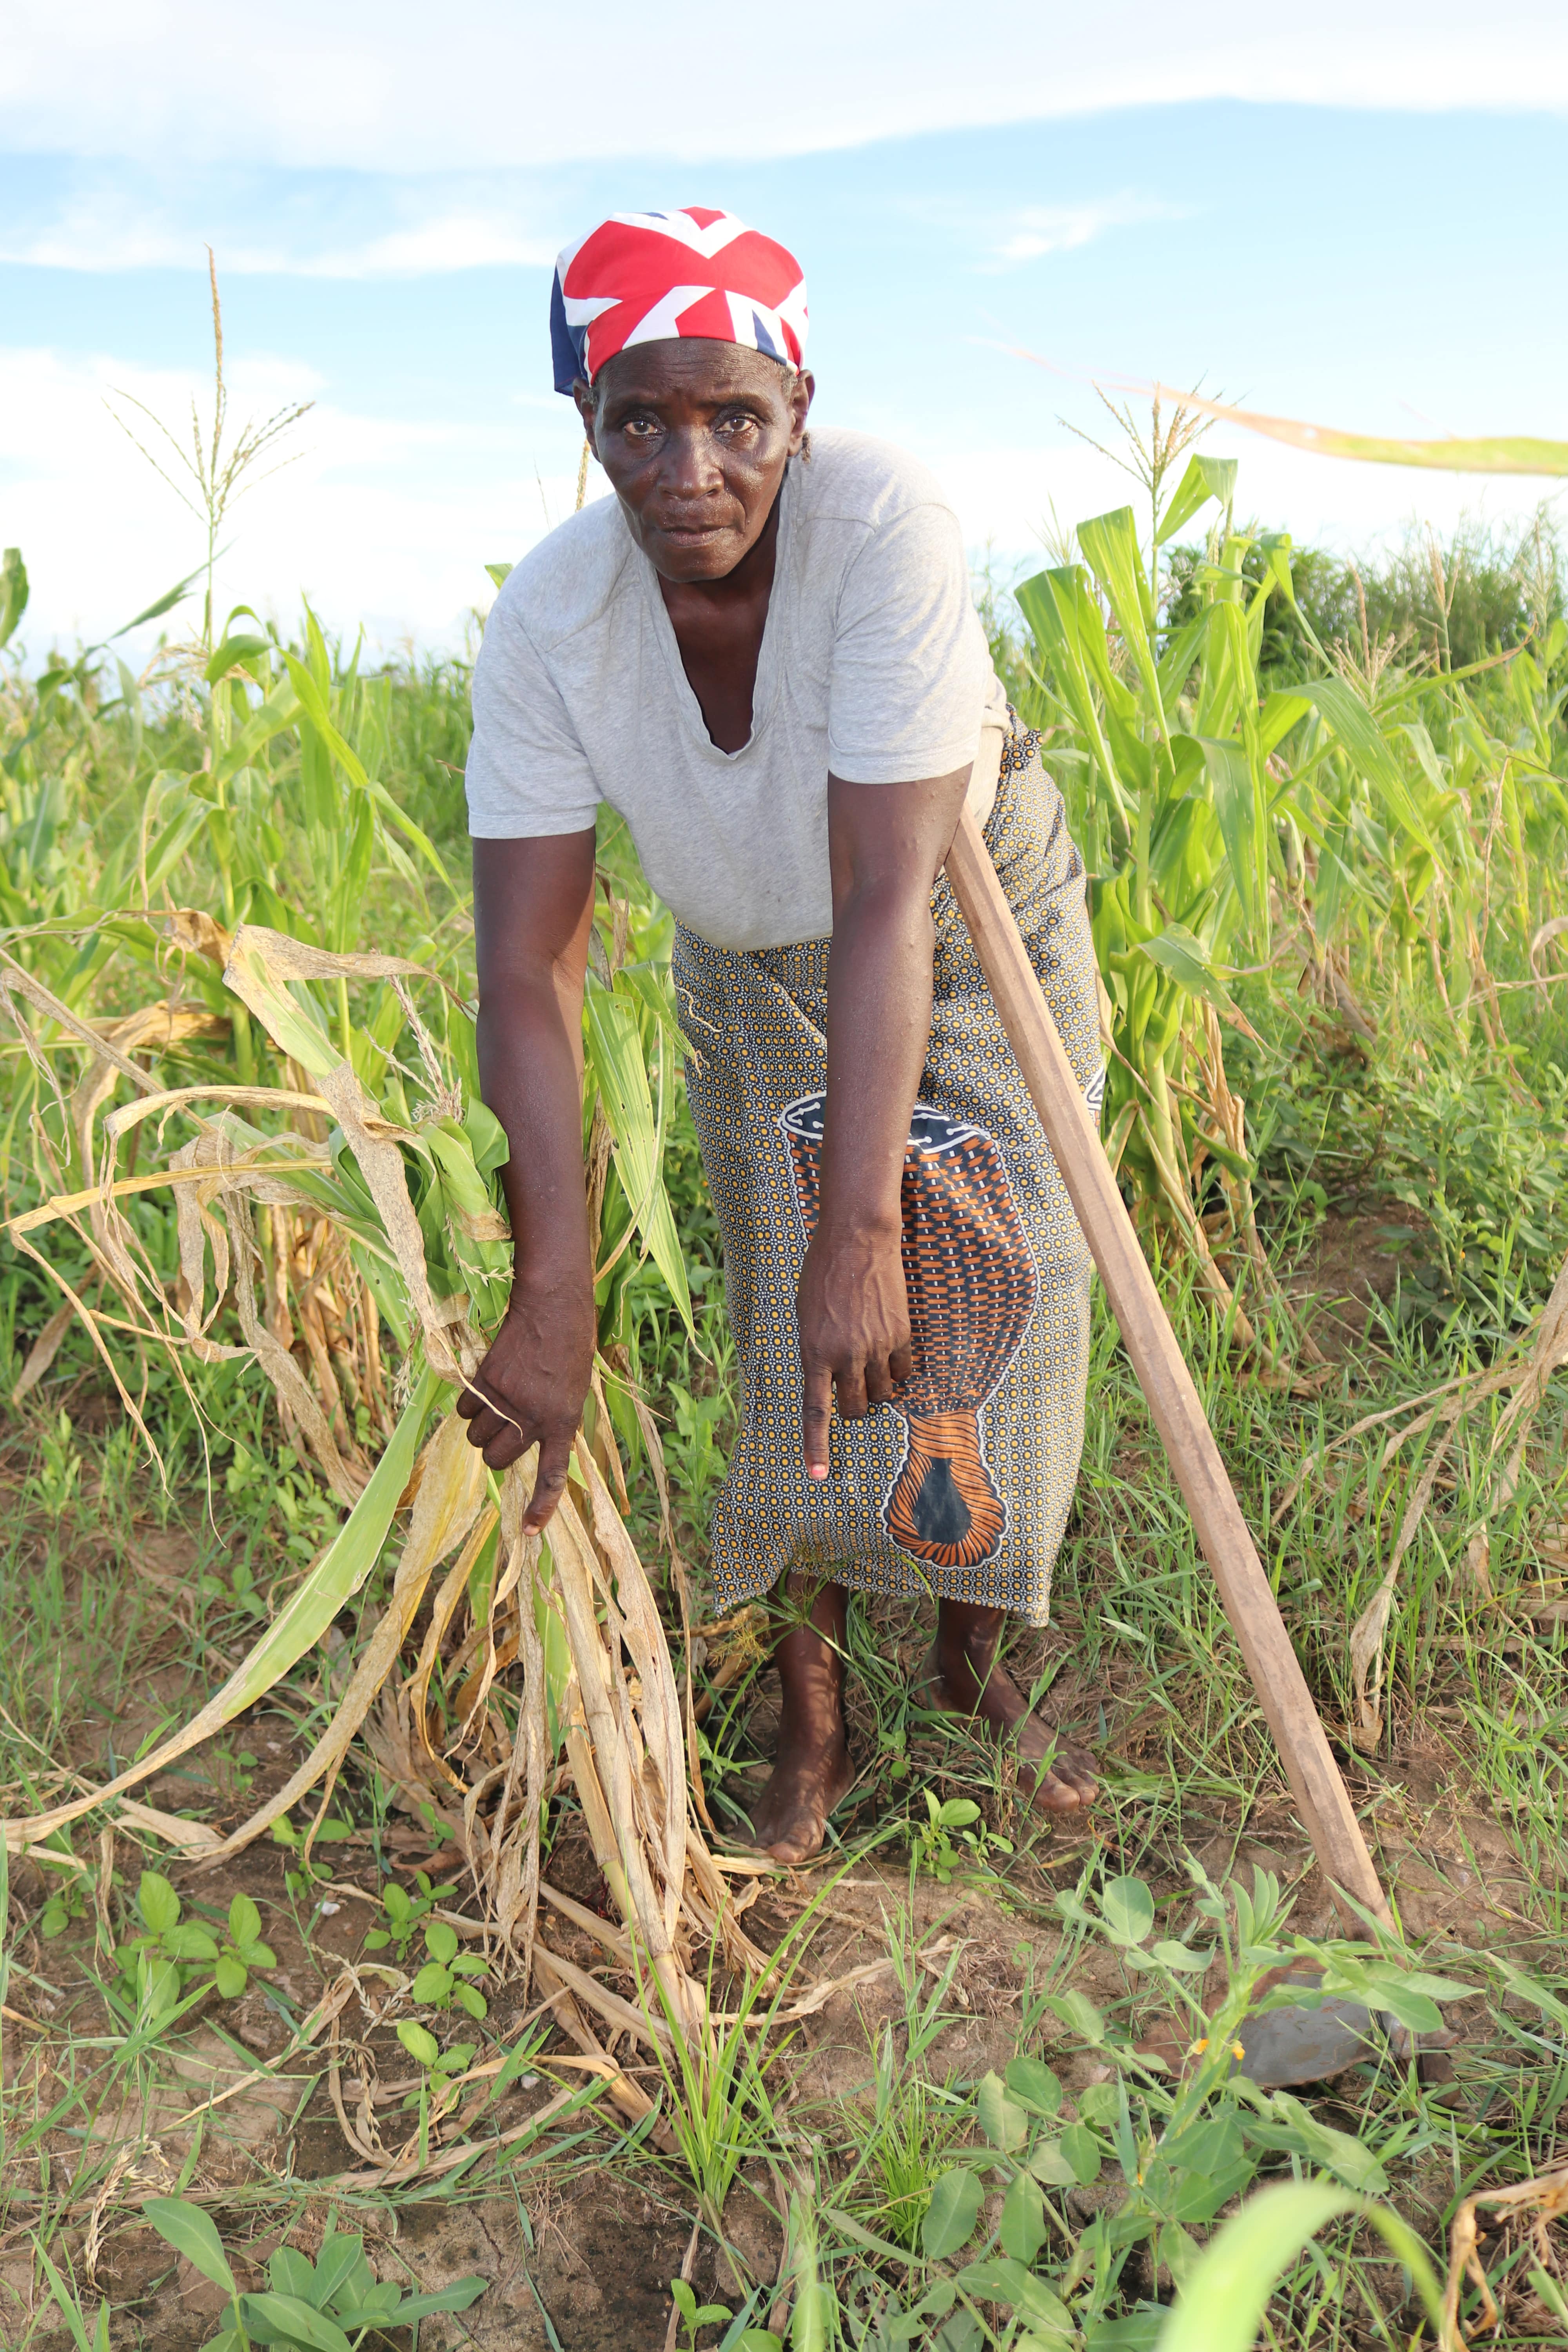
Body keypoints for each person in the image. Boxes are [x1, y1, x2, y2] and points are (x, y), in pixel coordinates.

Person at [458, 207, 1102, 1864]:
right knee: (792, 1336)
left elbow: (890, 900)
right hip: (754, 960)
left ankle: (976, 1656)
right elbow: (526, 970)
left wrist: (868, 1218)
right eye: (642, 423)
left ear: (797, 417)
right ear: (585, 428)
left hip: (962, 923)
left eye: (735, 419)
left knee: (1001, 1276)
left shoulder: (882, 521)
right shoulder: (552, 622)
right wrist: (552, 1295)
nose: (691, 468)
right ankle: (812, 1705)